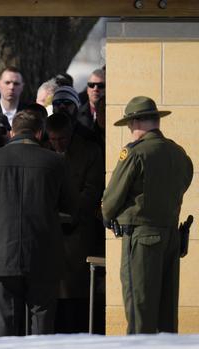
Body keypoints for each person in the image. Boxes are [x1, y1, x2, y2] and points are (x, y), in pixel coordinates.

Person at [0, 111, 76, 336]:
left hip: (1, 254)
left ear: (13, 132)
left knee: (5, 323)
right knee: (42, 325)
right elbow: (72, 205)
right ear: (39, 132)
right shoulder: (55, 160)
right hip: (43, 253)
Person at [102, 96, 194, 334]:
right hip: (171, 237)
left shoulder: (135, 153)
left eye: (130, 125)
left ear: (138, 122)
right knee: (166, 313)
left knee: (139, 310)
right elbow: (184, 183)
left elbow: (110, 201)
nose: (130, 130)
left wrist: (109, 214)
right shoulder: (178, 153)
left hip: (141, 240)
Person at [46, 112, 104, 333]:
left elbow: (91, 190)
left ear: (70, 133)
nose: (57, 144)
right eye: (52, 139)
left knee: (76, 294)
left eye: (61, 139)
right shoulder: (44, 152)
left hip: (78, 232)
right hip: (51, 233)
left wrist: (71, 216)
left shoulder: (89, 151)